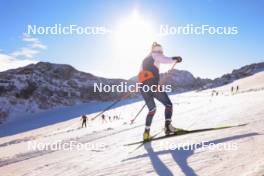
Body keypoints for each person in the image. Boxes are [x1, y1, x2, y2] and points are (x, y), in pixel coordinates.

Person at [138, 42, 182, 141]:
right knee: (168, 105)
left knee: (152, 110)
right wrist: (176, 58)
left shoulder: (145, 59)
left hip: (143, 87)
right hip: (153, 86)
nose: (161, 52)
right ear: (159, 50)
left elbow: (140, 74)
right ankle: (168, 127)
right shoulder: (156, 55)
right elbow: (165, 60)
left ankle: (146, 133)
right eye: (161, 50)